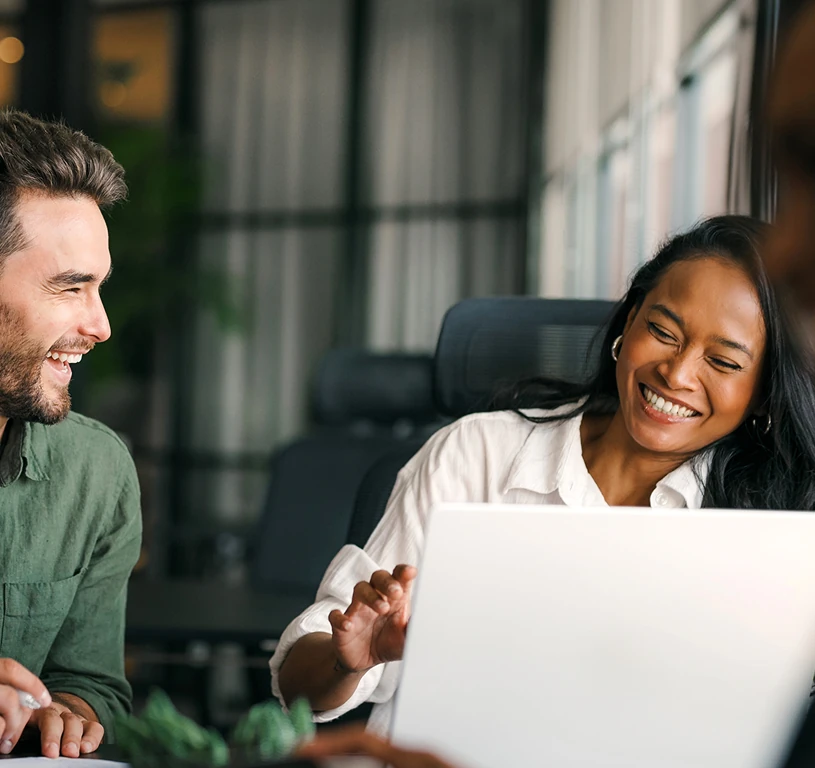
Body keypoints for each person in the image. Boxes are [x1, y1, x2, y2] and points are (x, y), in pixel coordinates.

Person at [271, 214, 815, 736]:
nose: (676, 373)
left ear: (764, 392)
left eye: (722, 362)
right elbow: (300, 683)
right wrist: (352, 661)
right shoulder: (477, 453)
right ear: (629, 323)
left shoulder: (773, 527)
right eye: (663, 331)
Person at [0, 110, 141, 757]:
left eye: (99, 287)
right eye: (71, 287)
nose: (100, 324)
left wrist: (69, 713)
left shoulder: (95, 470)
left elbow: (90, 683)